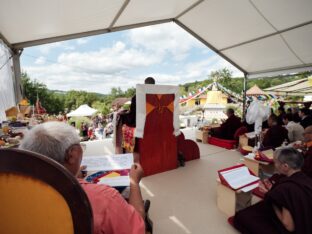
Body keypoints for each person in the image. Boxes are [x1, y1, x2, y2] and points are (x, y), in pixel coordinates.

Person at [19, 121, 145, 234]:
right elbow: (137, 228)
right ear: (71, 155)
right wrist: (134, 182)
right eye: (80, 145)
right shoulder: (105, 198)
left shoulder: (12, 193)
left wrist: (71, 175)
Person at [234, 148, 312, 234]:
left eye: (276, 162)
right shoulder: (306, 179)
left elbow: (289, 226)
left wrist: (270, 196)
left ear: (285, 166)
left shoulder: (287, 188)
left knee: (242, 216)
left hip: (296, 228)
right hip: (306, 220)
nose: (275, 165)